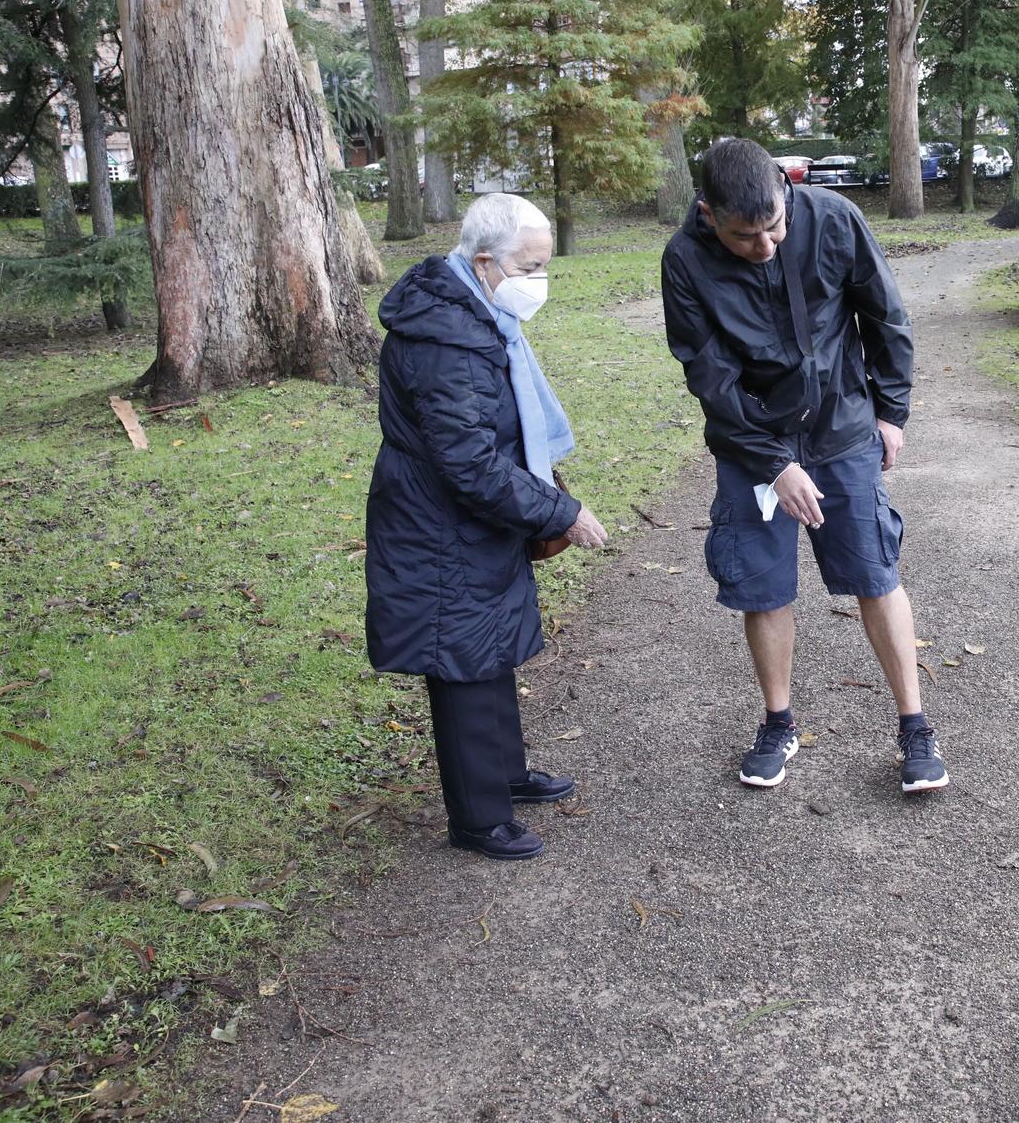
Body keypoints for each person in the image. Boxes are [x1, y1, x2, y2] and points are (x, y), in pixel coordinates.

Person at [662, 138, 947, 794]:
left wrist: (891, 412)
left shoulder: (833, 218)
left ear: (787, 195)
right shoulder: (683, 261)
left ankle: (915, 726)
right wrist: (772, 462)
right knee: (762, 585)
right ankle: (778, 720)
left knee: (875, 570)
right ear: (708, 214)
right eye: (745, 236)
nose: (765, 245)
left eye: (775, 227)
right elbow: (709, 374)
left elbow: (885, 316)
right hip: (750, 439)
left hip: (842, 427)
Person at [366, 193, 610, 861]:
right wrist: (562, 512)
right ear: (483, 262)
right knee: (463, 659)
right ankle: (477, 815)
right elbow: (469, 462)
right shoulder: (446, 339)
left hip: (473, 520)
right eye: (529, 268)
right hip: (439, 523)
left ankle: (505, 774)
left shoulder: (475, 313)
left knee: (490, 645)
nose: (539, 282)